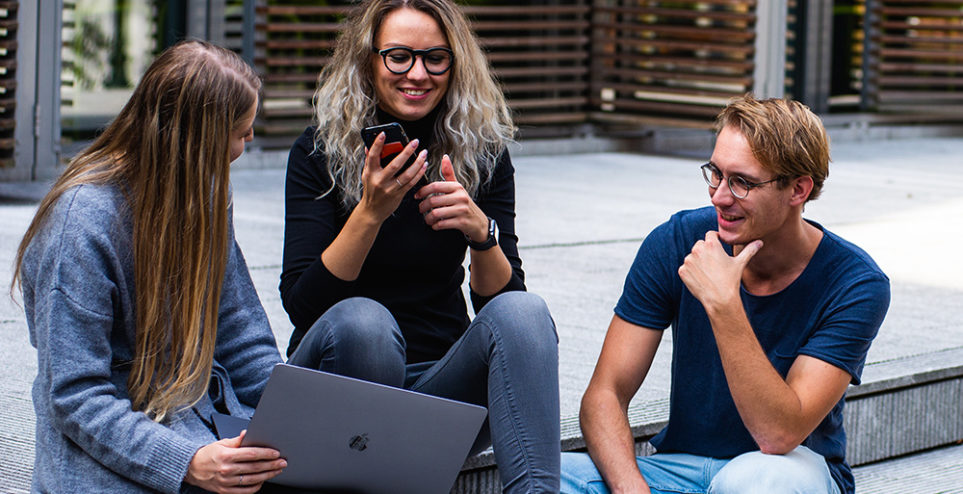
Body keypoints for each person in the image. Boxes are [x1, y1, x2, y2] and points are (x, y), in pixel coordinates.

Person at [280, 0, 560, 491]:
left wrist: (480, 231)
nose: (418, 73)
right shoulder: (318, 152)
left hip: (438, 392)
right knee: (365, 322)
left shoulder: (480, 152)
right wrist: (370, 212)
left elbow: (502, 304)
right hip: (340, 387)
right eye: (399, 56)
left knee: (527, 314)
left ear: (455, 64)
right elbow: (302, 305)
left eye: (435, 57)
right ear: (369, 60)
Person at [560, 95, 891, 494]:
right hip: (679, 469)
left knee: (759, 481)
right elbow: (604, 395)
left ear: (798, 189)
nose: (719, 195)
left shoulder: (855, 283)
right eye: (715, 173)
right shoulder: (678, 239)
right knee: (552, 474)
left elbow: (779, 435)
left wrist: (723, 303)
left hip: (787, 471)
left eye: (742, 182)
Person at [12, 40, 288, 493]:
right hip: (114, 437)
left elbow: (241, 332)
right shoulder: (80, 222)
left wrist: (285, 422)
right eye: (242, 131)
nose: (250, 141)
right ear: (199, 140)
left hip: (196, 412)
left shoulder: (208, 195)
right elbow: (76, 396)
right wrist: (187, 461)